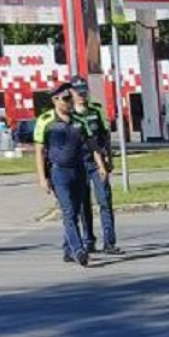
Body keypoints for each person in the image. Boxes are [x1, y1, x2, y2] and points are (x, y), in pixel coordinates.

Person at [35, 83, 108, 267]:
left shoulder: (79, 120)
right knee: (68, 211)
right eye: (66, 99)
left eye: (71, 98)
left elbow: (92, 144)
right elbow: (39, 151)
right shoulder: (46, 121)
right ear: (55, 100)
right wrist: (42, 178)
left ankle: (68, 249)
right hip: (58, 171)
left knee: (75, 211)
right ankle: (78, 250)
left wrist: (101, 165)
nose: (70, 102)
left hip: (79, 170)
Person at [70, 77, 120, 255]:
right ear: (72, 93)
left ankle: (109, 242)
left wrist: (109, 159)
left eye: (84, 91)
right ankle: (89, 240)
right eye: (78, 92)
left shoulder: (96, 110)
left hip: (97, 163)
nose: (82, 95)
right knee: (84, 204)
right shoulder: (69, 114)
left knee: (104, 200)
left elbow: (105, 136)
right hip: (79, 164)